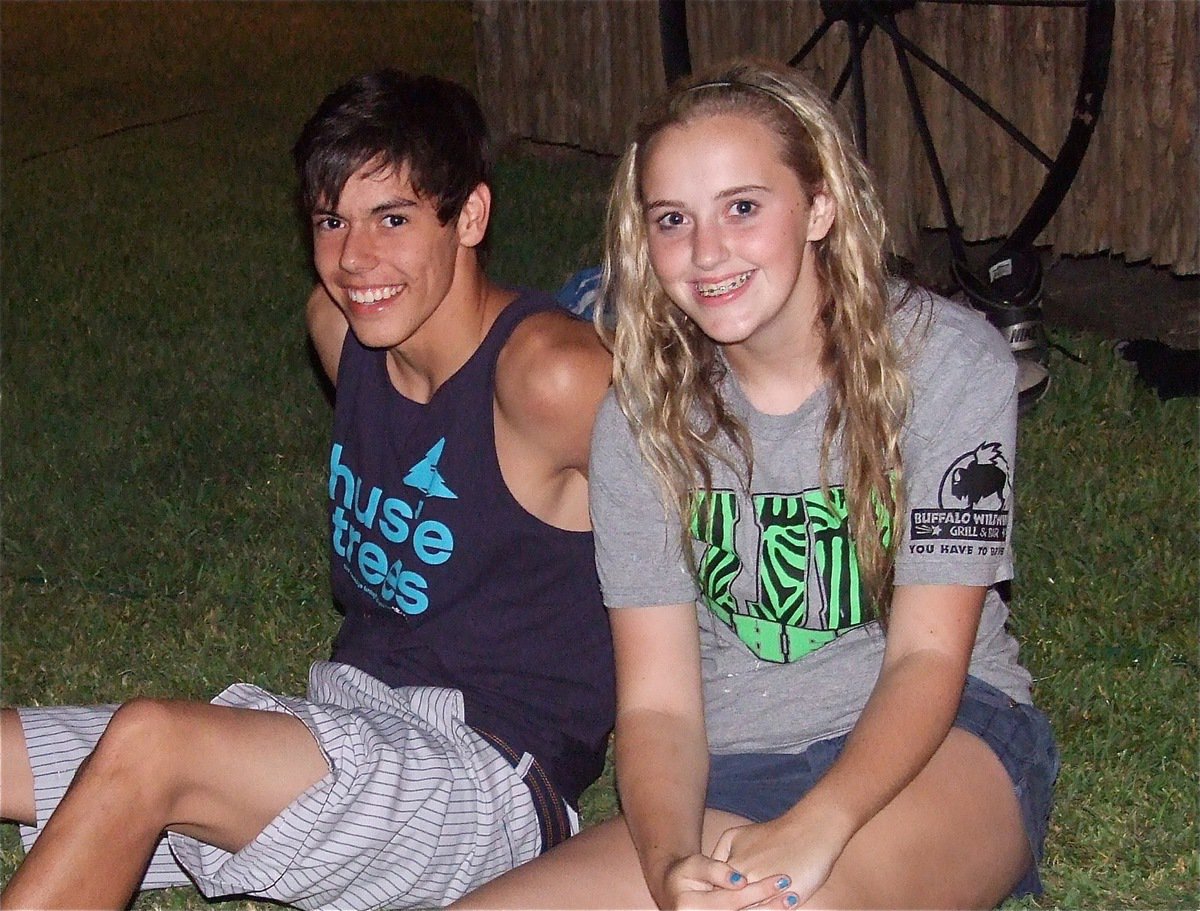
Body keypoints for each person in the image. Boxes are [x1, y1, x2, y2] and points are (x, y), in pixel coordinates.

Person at [0, 69, 615, 910]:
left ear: (469, 215)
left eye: (392, 219)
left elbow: (718, 519)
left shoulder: (550, 376)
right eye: (332, 220)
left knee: (154, 744)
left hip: (490, 782)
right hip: (350, 722)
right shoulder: (341, 329)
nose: (354, 259)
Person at [456, 59, 1059, 910]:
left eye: (743, 207)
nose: (707, 252)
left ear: (819, 206)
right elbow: (660, 705)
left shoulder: (947, 364)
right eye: (673, 219)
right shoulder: (641, 418)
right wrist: (668, 863)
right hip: (732, 769)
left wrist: (823, 821)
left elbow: (928, 653)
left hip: (946, 738)